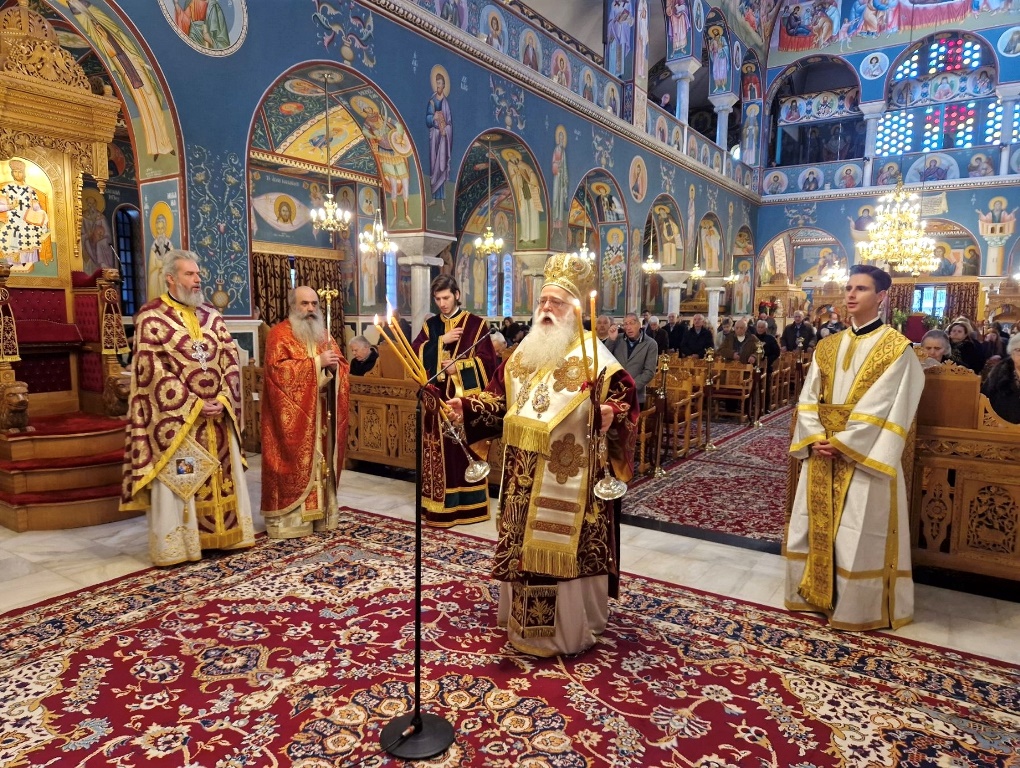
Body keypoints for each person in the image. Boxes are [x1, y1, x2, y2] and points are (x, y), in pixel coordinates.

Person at [449, 252, 638, 656]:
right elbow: (499, 400)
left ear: (575, 310)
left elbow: (625, 399)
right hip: (522, 477)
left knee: (563, 553)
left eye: (557, 302)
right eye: (543, 301)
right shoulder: (524, 354)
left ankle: (567, 630)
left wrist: (611, 413)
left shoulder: (596, 357)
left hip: (573, 476)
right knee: (525, 550)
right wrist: (467, 407)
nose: (547, 308)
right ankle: (522, 624)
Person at [786, 264, 925, 630]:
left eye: (861, 289)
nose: (850, 294)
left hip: (864, 455)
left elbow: (885, 404)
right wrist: (816, 436)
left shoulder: (897, 349)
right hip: (822, 450)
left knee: (859, 530)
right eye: (848, 287)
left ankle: (853, 607)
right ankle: (812, 594)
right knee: (814, 522)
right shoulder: (827, 345)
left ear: (881, 297)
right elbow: (809, 396)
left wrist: (844, 443)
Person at [120, 250, 256, 566]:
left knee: (222, 477)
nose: (197, 280)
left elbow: (230, 359)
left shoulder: (212, 316)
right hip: (179, 422)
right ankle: (184, 546)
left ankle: (228, 536)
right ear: (171, 278)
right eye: (190, 274)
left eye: (197, 274)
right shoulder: (151, 317)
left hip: (217, 418)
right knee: (184, 480)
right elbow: (151, 371)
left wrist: (224, 398)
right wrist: (194, 403)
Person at [261, 286, 350, 539]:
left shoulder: (323, 334)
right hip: (291, 419)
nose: (310, 309)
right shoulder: (279, 335)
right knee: (295, 463)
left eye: (314, 304)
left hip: (321, 412)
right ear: (292, 305)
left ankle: (321, 515)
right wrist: (317, 363)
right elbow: (278, 373)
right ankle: (291, 522)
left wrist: (335, 369)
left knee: (322, 463)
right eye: (304, 304)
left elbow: (341, 365)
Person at [411, 274, 497, 527]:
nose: (442, 304)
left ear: (457, 295)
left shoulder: (476, 325)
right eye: (437, 299)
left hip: (462, 403)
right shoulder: (431, 326)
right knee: (440, 455)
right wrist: (440, 343)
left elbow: (489, 365)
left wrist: (457, 368)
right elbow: (414, 354)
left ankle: (467, 507)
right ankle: (437, 505)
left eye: (446, 297)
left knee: (461, 455)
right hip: (435, 402)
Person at [605, 312, 658, 407]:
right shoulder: (617, 338)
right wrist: (611, 340)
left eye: (632, 323)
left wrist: (630, 386)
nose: (628, 327)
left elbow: (649, 372)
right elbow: (605, 358)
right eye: (625, 324)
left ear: (639, 324)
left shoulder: (650, 344)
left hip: (636, 395)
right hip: (614, 394)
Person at [981, 334, 1020, 424]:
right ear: (1012, 353)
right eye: (1019, 350)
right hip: (1000, 427)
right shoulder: (997, 375)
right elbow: (984, 401)